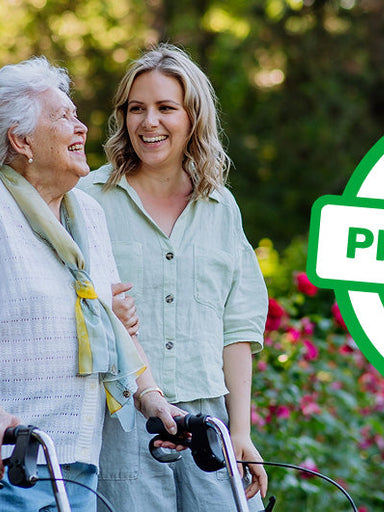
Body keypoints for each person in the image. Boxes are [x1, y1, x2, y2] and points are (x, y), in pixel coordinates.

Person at [0, 56, 181, 511]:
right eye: (64, 117)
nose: (81, 128)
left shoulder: (87, 214)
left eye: (76, 115)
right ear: (21, 140)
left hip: (73, 456)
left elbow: (109, 324)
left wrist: (152, 397)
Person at [77, 44, 269, 512]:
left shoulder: (221, 208)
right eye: (136, 109)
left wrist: (239, 433)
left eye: (166, 108)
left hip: (209, 422)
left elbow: (237, 329)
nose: (149, 123)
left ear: (193, 118)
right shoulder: (86, 199)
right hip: (121, 420)